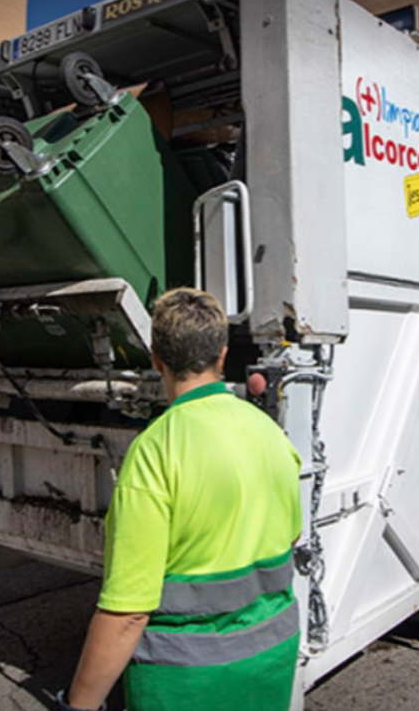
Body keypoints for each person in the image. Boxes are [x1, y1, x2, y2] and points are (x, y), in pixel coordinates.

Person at [60, 287, 303, 711]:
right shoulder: (270, 433)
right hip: (270, 660)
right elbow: (291, 536)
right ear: (222, 355)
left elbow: (127, 614)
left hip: (186, 682)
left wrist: (78, 706)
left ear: (156, 358)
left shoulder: (155, 451)